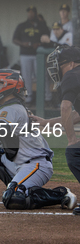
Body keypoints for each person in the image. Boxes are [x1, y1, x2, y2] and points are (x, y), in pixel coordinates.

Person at [0, 69, 76, 210]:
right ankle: (16, 188)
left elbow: (0, 130)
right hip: (25, 163)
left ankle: (60, 194)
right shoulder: (13, 107)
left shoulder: (12, 108)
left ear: (8, 87)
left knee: (11, 199)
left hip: (36, 165)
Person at [36, 46, 80, 214]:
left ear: (71, 63)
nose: (58, 70)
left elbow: (66, 107)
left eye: (60, 65)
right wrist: (46, 122)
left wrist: (71, 140)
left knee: (74, 153)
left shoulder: (71, 74)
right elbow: (75, 115)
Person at [12, 6, 50, 104]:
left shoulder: (42, 25)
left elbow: (48, 39)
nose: (30, 14)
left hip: (39, 55)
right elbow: (15, 39)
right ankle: (28, 98)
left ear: (36, 13)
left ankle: (46, 98)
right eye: (29, 12)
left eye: (32, 12)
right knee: (26, 77)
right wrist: (23, 44)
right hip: (25, 54)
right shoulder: (22, 25)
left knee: (42, 76)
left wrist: (40, 44)